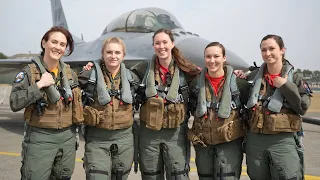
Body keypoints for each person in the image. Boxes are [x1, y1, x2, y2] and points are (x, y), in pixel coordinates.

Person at [10, 26, 84, 180]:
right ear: (44, 43)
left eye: (62, 44)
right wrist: (38, 86)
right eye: (54, 42)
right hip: (40, 139)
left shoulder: (70, 74)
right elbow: (14, 102)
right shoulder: (29, 72)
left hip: (67, 140)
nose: (58, 47)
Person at [130, 28, 201, 180]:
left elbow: (211, 77)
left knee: (178, 175)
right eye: (157, 43)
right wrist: (93, 67)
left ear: (172, 44)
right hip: (149, 133)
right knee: (151, 175)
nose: (161, 46)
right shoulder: (143, 68)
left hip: (175, 134)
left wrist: (233, 73)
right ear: (153, 46)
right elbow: (122, 76)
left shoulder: (186, 70)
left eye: (165, 42)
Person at [245, 34, 312, 180]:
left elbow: (303, 107)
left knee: (288, 176)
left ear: (282, 50)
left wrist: (285, 86)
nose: (267, 53)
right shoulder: (253, 77)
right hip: (255, 140)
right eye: (264, 50)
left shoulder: (295, 78)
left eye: (271, 48)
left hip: (283, 140)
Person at [78, 37, 140, 180]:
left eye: (117, 52)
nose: (113, 56)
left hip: (124, 140)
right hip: (97, 139)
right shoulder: (88, 76)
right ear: (103, 54)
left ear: (123, 55)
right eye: (109, 52)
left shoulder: (132, 79)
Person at [187, 42, 249, 180]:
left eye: (216, 56)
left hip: (229, 144)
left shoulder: (239, 84)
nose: (212, 60)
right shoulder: (196, 84)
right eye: (208, 57)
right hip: (203, 144)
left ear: (224, 58)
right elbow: (190, 108)